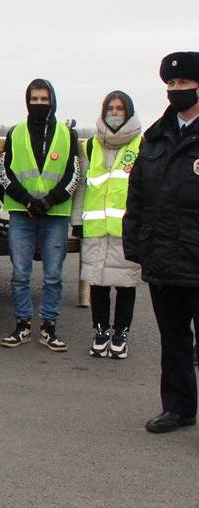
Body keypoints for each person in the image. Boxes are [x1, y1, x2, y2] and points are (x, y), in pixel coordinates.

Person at [123, 52, 199, 434]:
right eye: (170, 85)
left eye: (183, 84)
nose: (175, 91)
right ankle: (179, 407)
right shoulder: (154, 137)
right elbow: (137, 193)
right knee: (174, 341)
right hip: (164, 256)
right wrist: (135, 242)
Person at [0, 79, 79, 352]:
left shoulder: (68, 134)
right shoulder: (15, 132)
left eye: (44, 99)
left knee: (53, 275)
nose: (40, 104)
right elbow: (5, 171)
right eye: (35, 99)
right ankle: (22, 325)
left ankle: (49, 327)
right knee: (20, 273)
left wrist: (49, 200)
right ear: (27, 101)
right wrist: (27, 200)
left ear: (52, 100)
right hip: (22, 212)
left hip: (55, 212)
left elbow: (73, 174)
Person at [71, 91, 141, 359]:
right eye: (110, 108)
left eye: (120, 109)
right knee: (97, 283)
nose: (114, 113)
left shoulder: (142, 145)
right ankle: (100, 332)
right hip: (95, 228)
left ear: (129, 112)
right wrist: (77, 221)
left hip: (127, 230)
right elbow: (82, 188)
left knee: (126, 284)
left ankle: (120, 334)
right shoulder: (90, 145)